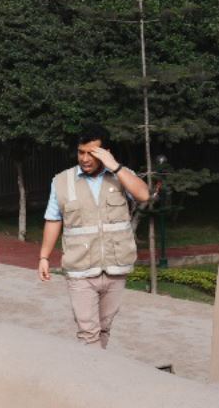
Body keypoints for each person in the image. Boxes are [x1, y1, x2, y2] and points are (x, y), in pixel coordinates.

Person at [36, 126, 152, 348]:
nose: (85, 158)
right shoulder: (61, 181)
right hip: (80, 269)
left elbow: (144, 195)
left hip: (115, 268)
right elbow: (53, 219)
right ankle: (92, 377)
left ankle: (99, 373)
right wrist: (44, 257)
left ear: (106, 152)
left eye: (92, 153)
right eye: (81, 152)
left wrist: (115, 167)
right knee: (88, 332)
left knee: (104, 328)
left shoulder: (122, 176)